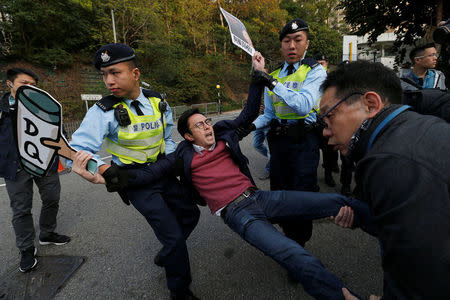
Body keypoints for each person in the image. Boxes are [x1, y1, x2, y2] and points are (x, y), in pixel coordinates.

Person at [73, 52, 376, 300]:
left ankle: (393, 228)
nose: (207, 127)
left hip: (260, 197)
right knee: (295, 256)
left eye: (207, 121)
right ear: (188, 137)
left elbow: (246, 114)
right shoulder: (182, 156)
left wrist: (257, 77)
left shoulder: (222, 135)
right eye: (199, 126)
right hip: (238, 214)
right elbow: (153, 171)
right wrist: (114, 177)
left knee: (335, 201)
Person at [68, 43, 200, 300]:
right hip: (136, 182)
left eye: (115, 73)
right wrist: (105, 170)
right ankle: (179, 290)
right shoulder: (103, 112)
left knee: (191, 215)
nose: (108, 81)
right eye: (104, 75)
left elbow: (167, 134)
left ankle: (169, 254)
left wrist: (172, 156)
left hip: (163, 172)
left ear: (135, 74)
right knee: (173, 237)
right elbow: (79, 149)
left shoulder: (158, 101)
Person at [319, 60, 450, 299]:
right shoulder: (419, 127)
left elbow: (422, 279)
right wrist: (363, 216)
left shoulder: (390, 160)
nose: (325, 132)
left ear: (370, 104)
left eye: (329, 117)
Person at [252, 19, 327, 247]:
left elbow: (304, 105)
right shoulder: (274, 74)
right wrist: (244, 128)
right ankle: (288, 239)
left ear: (306, 44)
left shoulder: (315, 71)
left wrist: (270, 81)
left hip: (304, 143)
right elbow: (268, 116)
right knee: (280, 195)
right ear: (281, 46)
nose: (292, 46)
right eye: (287, 41)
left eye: (297, 40)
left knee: (301, 196)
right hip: (279, 144)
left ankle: (299, 245)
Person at [0, 67, 70, 273]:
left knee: (52, 198)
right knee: (21, 209)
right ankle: (26, 249)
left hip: (44, 162)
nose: (29, 89)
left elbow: (58, 130)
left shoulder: (41, 105)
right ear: (10, 84)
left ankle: (47, 233)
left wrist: (66, 155)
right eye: (24, 84)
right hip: (15, 167)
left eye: (33, 86)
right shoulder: (2, 108)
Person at [252, 104, 270, 180]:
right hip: (256, 124)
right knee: (256, 144)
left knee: (270, 150)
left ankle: (269, 170)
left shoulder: (267, 93)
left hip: (267, 123)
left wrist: (264, 110)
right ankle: (275, 159)